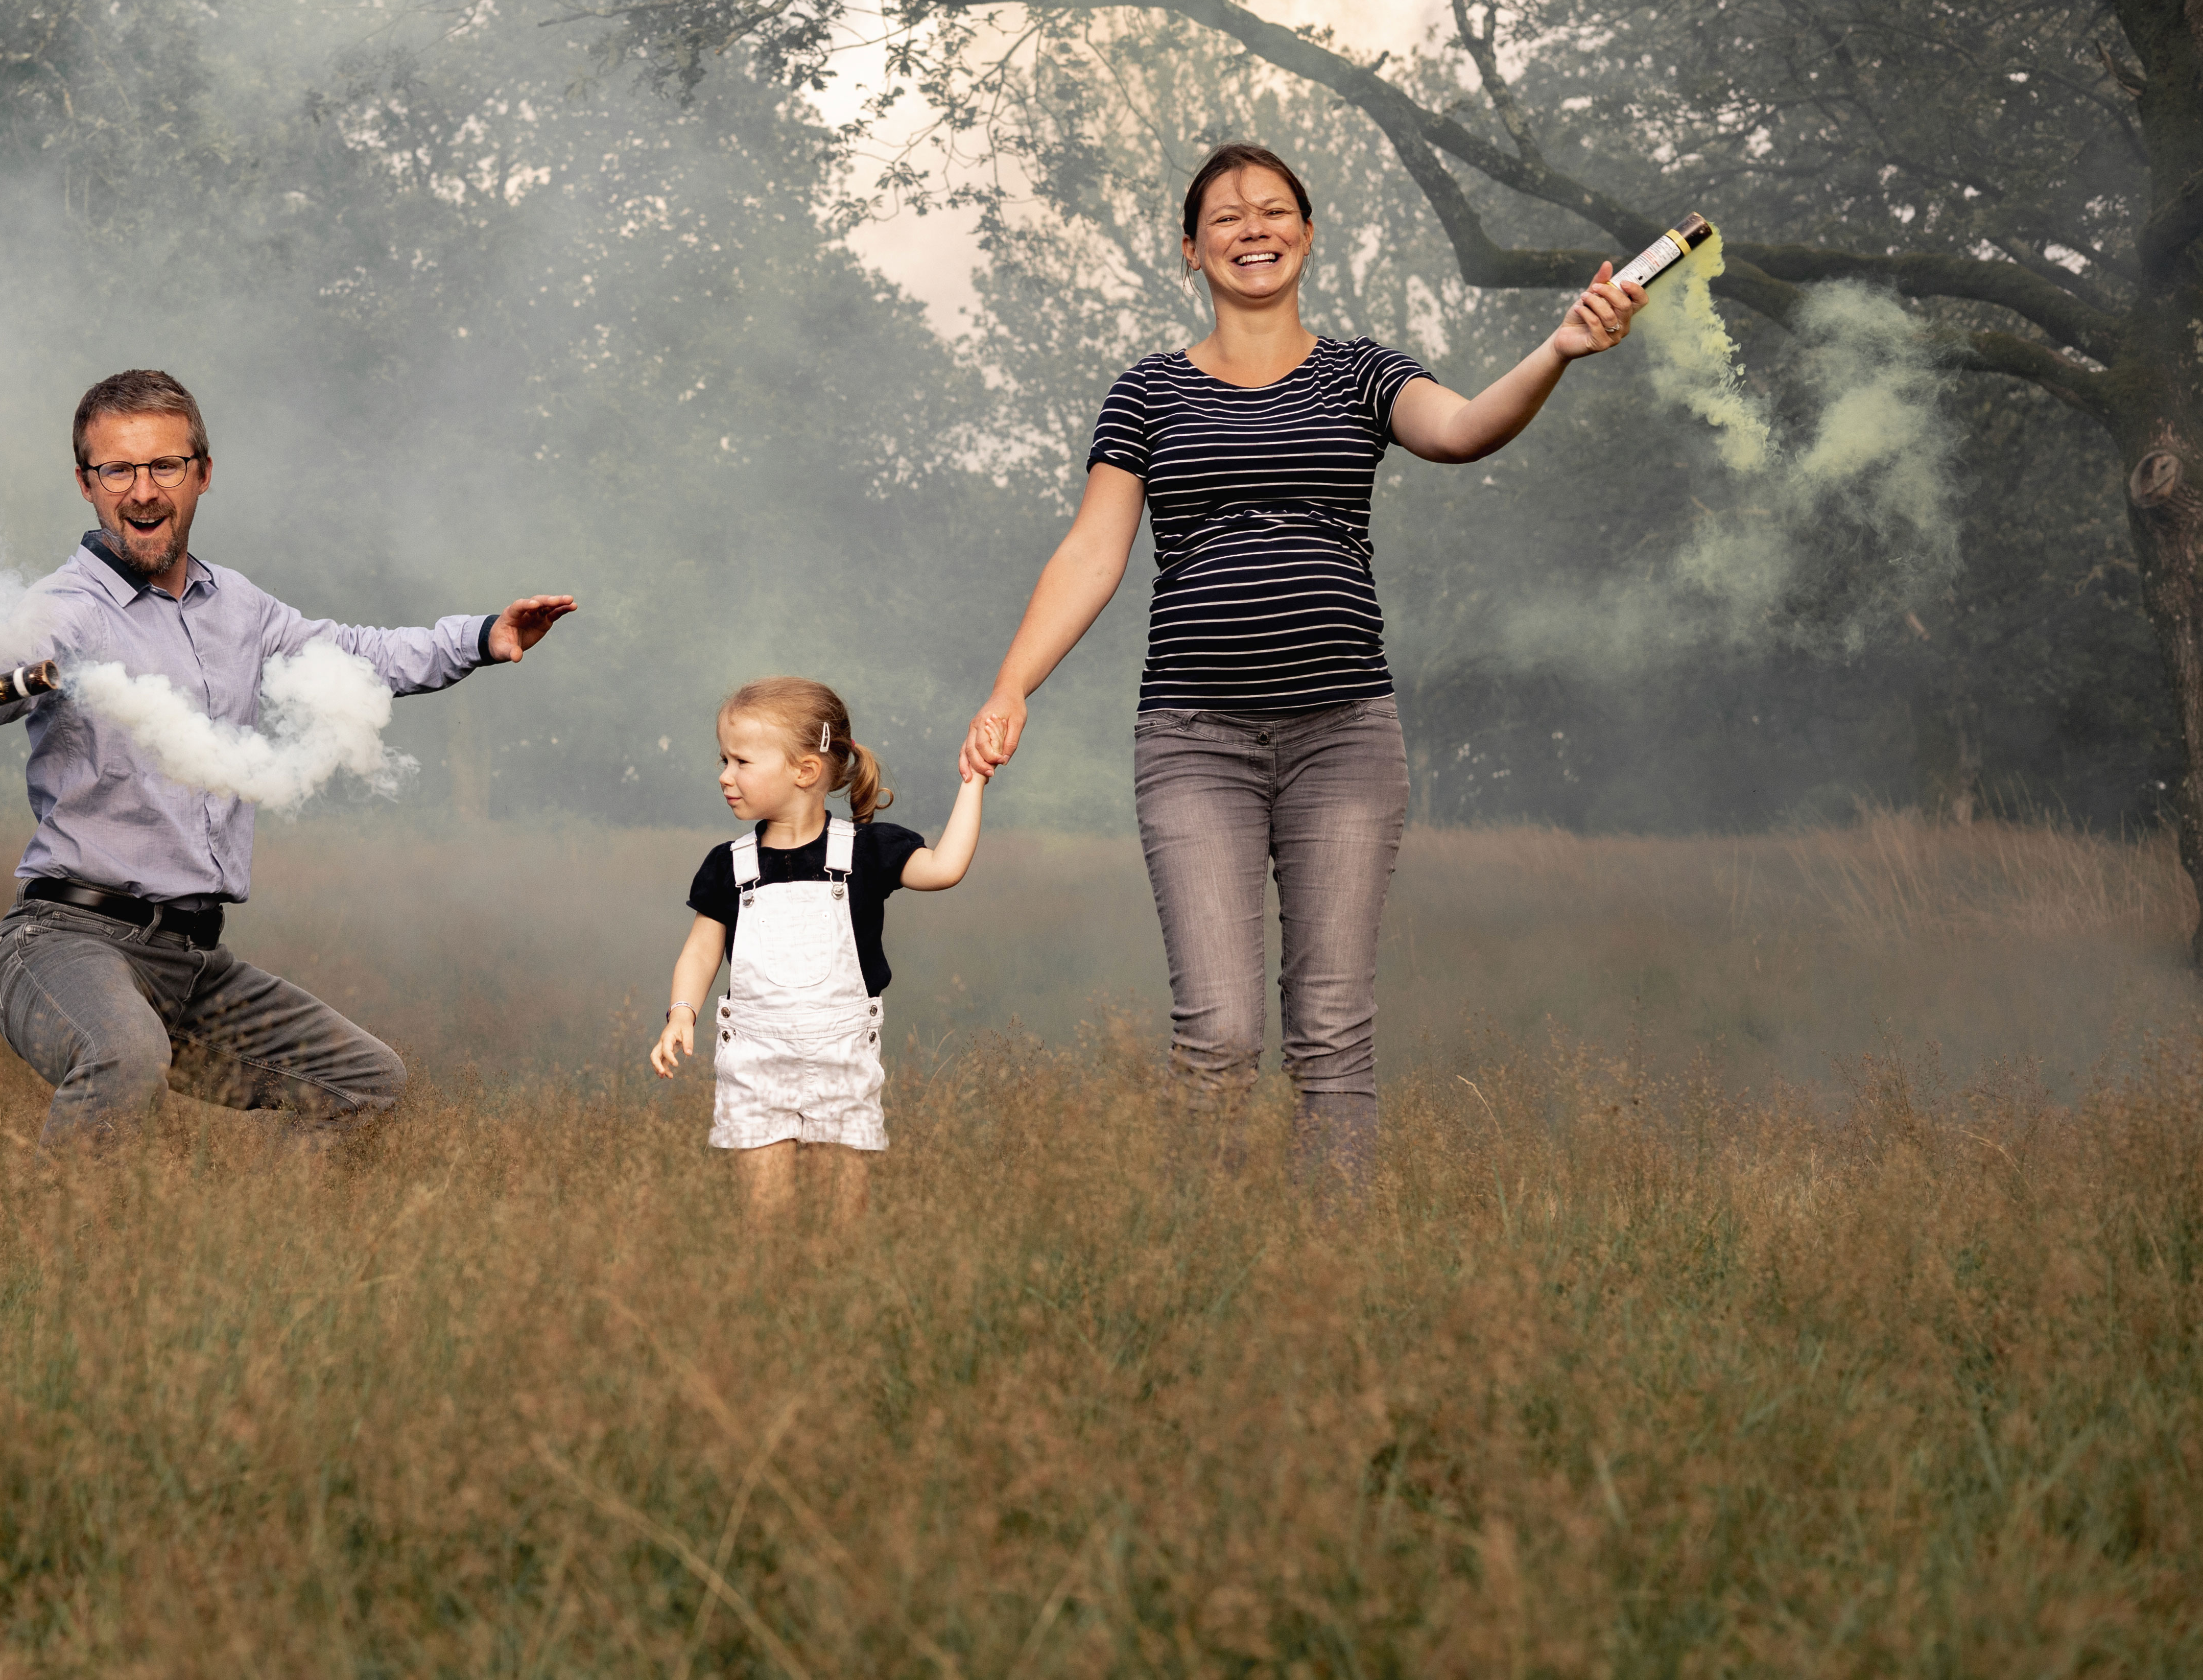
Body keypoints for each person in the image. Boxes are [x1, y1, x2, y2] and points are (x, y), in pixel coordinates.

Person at [959, 143, 1647, 1184]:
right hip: (1192, 743)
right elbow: (1093, 552)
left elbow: (1461, 430)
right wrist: (1012, 686)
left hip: (1345, 741)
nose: (1252, 228)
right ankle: (1210, 1287)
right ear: (1189, 251)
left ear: (1307, 236)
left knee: (1331, 1034)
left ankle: (1329, 1291)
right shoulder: (1145, 393)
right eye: (1226, 217)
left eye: (1274, 210)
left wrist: (1555, 350)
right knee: (1220, 1036)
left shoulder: (1362, 371)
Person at [0, 368, 575, 1148]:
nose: (142, 491)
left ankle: (255, 1256)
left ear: (202, 473)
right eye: (118, 469)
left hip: (189, 963)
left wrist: (483, 638)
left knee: (368, 1085)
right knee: (122, 1056)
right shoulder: (65, 609)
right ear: (86, 483)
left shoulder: (239, 606)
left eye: (165, 466)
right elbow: (1, 657)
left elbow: (353, 656)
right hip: (63, 942)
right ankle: (54, 1265)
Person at [652, 677, 987, 1222]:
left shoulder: (870, 851)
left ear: (805, 771)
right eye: (724, 759)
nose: (724, 776)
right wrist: (681, 1013)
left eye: (741, 762)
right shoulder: (728, 865)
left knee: (842, 1225)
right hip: (755, 1065)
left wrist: (973, 783)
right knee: (766, 1223)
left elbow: (945, 868)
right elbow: (699, 952)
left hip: (842, 1064)